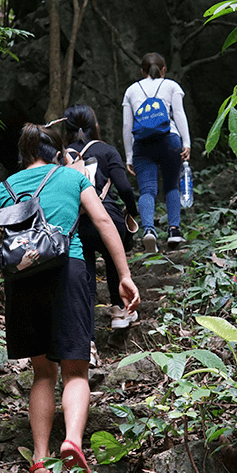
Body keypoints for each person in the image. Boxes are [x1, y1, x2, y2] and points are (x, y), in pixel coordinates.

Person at [0, 121, 140, 473]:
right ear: (56, 152)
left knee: (42, 371)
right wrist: (123, 274)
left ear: (24, 153)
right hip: (67, 271)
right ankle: (72, 442)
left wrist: (8, 239)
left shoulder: (5, 187)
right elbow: (103, 220)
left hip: (22, 280)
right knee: (75, 369)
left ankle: (39, 459)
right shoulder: (71, 178)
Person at [63, 104, 139, 330]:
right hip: (107, 215)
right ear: (95, 126)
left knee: (85, 270)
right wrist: (131, 212)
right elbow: (125, 188)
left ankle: (87, 329)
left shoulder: (62, 156)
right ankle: (119, 310)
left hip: (78, 221)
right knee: (114, 258)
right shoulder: (107, 151)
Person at [122, 52, 191, 252]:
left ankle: (149, 231)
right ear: (164, 70)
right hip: (170, 139)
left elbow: (127, 124)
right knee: (171, 187)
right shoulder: (171, 86)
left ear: (142, 71)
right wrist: (186, 143)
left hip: (142, 144)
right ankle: (174, 231)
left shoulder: (131, 90)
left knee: (147, 190)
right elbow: (179, 114)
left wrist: (128, 155)